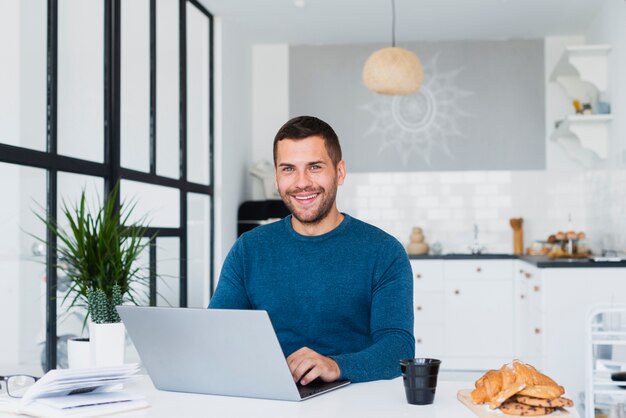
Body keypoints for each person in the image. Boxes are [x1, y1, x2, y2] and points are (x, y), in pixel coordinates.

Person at [209, 116, 414, 384]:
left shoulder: (384, 252)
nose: (301, 182)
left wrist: (336, 365)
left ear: (339, 172)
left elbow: (399, 349)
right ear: (276, 176)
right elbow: (217, 334)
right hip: (271, 397)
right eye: (288, 169)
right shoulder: (248, 250)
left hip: (354, 399)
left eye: (315, 167)